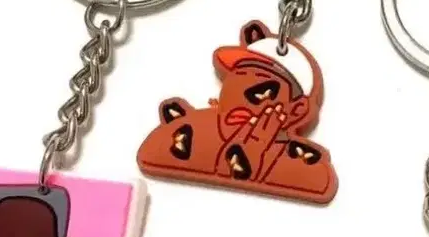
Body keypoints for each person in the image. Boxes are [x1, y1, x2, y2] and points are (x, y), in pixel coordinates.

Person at [137, 20, 336, 203]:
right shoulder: (192, 129)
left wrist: (255, 150)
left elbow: (318, 181)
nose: (239, 98)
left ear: (297, 110)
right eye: (236, 80)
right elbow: (154, 152)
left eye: (261, 92)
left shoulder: (299, 160)